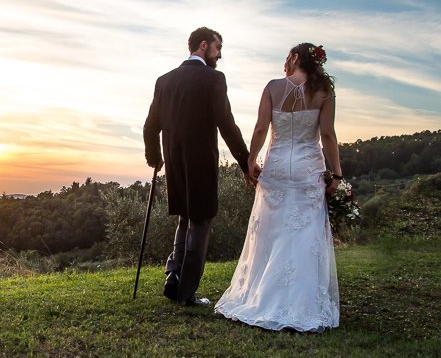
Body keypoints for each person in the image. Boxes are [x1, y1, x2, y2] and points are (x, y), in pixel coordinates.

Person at [214, 42, 342, 331]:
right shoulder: (324, 92)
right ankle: (301, 303)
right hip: (308, 168)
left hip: (278, 167)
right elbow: (328, 135)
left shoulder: (272, 87)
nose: (284, 63)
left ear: (295, 58)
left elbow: (260, 128)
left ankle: (261, 296)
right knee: (305, 231)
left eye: (287, 57)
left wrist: (250, 161)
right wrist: (336, 173)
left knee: (271, 231)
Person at [143, 27, 257, 307]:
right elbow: (227, 125)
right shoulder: (213, 79)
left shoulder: (164, 80)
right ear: (204, 45)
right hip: (201, 162)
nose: (220, 55)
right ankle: (186, 293)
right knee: (201, 222)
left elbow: (150, 126)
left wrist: (155, 157)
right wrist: (246, 163)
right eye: (218, 48)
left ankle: (174, 275)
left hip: (174, 164)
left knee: (184, 218)